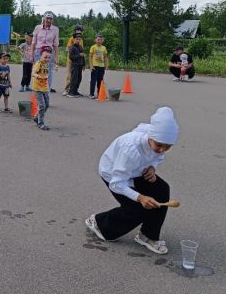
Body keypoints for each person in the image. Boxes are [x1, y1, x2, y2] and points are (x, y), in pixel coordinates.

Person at [86, 107, 180, 255]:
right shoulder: (131, 148)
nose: (162, 150)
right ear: (151, 136)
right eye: (159, 145)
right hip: (113, 174)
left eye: (167, 147)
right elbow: (116, 184)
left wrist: (152, 168)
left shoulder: (156, 140)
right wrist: (140, 197)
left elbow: (158, 157)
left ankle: (148, 235)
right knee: (138, 208)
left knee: (162, 189)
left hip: (137, 170)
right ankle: (99, 223)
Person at [31, 12, 59, 92]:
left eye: (50, 19)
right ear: (44, 19)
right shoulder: (37, 28)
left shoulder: (55, 29)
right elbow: (33, 42)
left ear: (52, 20)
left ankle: (46, 94)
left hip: (49, 53)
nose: (48, 20)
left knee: (48, 73)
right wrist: (32, 54)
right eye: (47, 18)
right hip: (38, 52)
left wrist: (57, 58)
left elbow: (56, 45)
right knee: (37, 71)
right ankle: (37, 94)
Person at [32, 47, 52, 130]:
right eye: (45, 57)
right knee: (42, 106)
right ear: (40, 56)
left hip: (45, 88)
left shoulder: (46, 64)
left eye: (49, 57)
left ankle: (37, 117)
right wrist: (37, 76)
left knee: (46, 105)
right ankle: (40, 123)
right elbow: (33, 73)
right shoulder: (38, 63)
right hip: (37, 89)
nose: (47, 59)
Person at [63, 26, 84, 95]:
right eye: (78, 30)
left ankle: (74, 90)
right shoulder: (72, 38)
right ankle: (67, 89)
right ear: (75, 31)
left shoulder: (81, 40)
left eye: (81, 31)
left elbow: (82, 50)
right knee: (69, 75)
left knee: (77, 77)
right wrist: (77, 54)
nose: (80, 32)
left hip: (78, 61)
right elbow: (68, 48)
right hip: (71, 60)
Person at [89, 34, 109, 99]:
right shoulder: (93, 47)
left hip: (101, 66)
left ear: (102, 40)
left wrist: (106, 65)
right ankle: (91, 94)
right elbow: (90, 56)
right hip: (95, 66)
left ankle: (99, 93)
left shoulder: (104, 48)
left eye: (100, 40)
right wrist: (91, 66)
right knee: (93, 81)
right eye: (98, 39)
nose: (99, 41)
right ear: (95, 40)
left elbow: (105, 57)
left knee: (100, 81)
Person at [67, 32, 86, 97]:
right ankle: (71, 92)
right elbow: (71, 57)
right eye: (76, 39)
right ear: (74, 40)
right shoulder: (72, 47)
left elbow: (83, 56)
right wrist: (79, 55)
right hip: (74, 65)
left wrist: (84, 64)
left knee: (79, 79)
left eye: (79, 39)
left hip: (80, 65)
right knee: (74, 79)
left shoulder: (80, 47)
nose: (78, 40)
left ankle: (75, 91)